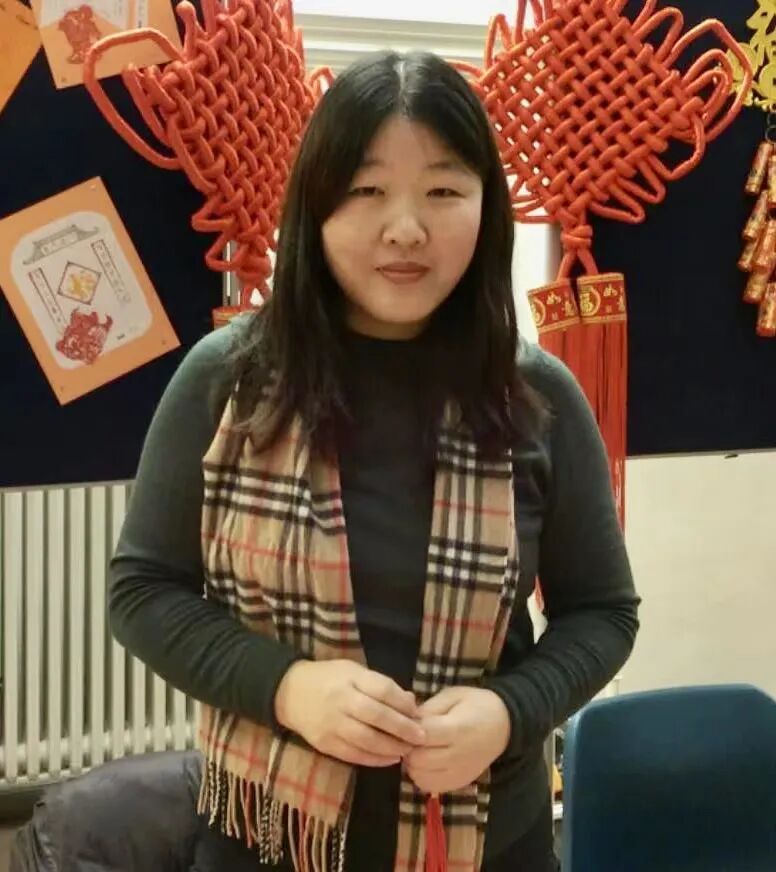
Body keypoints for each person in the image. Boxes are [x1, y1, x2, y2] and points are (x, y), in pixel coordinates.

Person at [109, 50, 640, 872]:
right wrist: (287, 687)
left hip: (490, 837)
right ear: (314, 206)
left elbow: (602, 612)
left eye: (443, 191)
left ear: (487, 207)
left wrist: (509, 711)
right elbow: (143, 591)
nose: (405, 228)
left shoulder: (537, 396)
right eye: (365, 191)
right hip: (267, 835)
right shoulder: (230, 378)